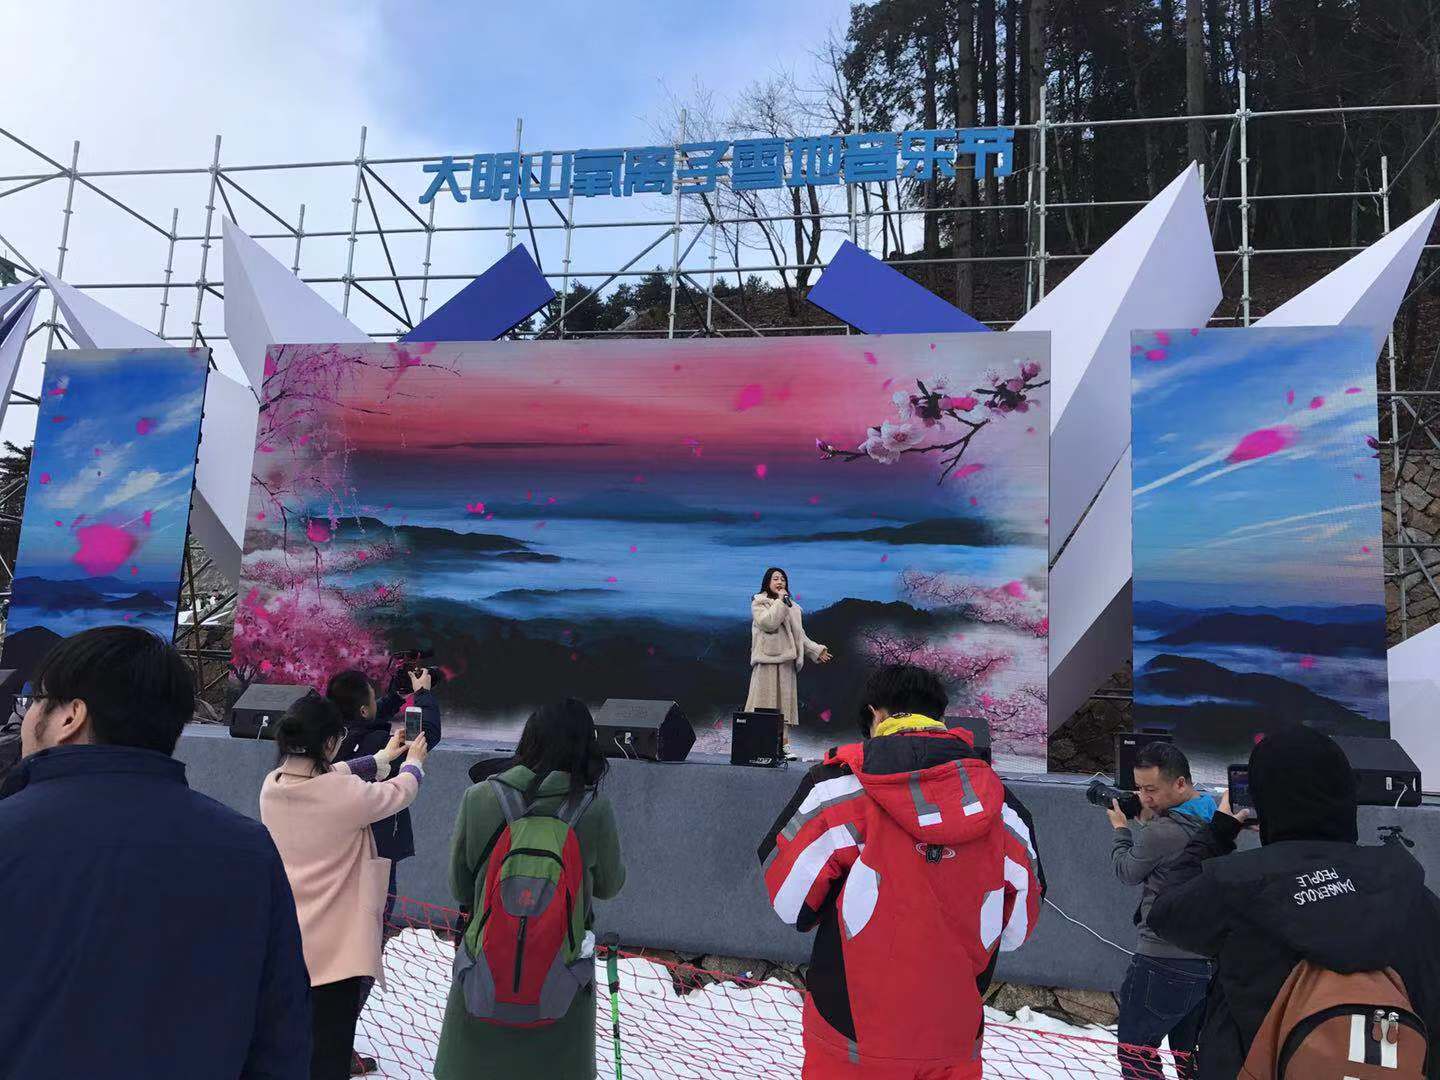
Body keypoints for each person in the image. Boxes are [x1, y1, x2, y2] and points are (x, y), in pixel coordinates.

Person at [0, 626, 311, 1079]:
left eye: (33, 700)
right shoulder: (247, 850)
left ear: (71, 716)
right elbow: (280, 1039)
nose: (26, 716)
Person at [758, 664, 1044, 1079]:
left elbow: (790, 901)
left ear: (875, 714)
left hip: (849, 1039)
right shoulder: (1002, 808)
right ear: (939, 717)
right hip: (952, 1039)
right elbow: (1016, 929)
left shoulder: (836, 789)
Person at [1149, 726, 1440, 1079]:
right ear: (1346, 793)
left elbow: (1164, 911)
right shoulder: (1405, 884)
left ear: (1264, 801)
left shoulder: (1237, 883)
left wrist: (1219, 831)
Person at [434, 698, 625, 1080]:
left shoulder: (480, 798)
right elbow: (609, 885)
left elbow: (459, 885)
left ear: (529, 739)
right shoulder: (592, 809)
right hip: (561, 985)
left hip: (484, 976)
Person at [260, 692, 429, 1080]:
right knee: (328, 1055)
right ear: (329, 743)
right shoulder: (345, 795)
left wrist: (380, 758)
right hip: (334, 955)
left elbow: (332, 773)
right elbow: (400, 791)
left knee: (289, 1048)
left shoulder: (273, 785)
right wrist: (414, 762)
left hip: (286, 943)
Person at [1106, 742, 1217, 1079]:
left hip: (1161, 960)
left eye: (1151, 789)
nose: (1145, 798)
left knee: (1135, 1053)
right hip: (1206, 961)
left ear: (1180, 783)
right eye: (1140, 789)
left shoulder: (1162, 832)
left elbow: (1127, 872)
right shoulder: (1216, 818)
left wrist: (1121, 830)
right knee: (1191, 1058)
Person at [327, 665, 442, 927]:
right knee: (373, 922)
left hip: (337, 848)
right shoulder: (379, 744)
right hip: (376, 850)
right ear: (364, 710)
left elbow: (364, 717)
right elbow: (424, 736)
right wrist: (422, 694)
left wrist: (395, 697)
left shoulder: (329, 739)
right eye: (373, 698)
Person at [745, 567, 832, 758]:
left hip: (786, 664)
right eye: (775, 578)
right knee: (764, 705)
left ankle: (783, 746)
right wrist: (781, 602)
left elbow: (799, 636)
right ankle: (760, 746)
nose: (780, 582)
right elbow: (769, 623)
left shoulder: (792, 607)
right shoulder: (759, 603)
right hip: (767, 661)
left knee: (784, 708)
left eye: (783, 579)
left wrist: (816, 650)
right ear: (767, 582)